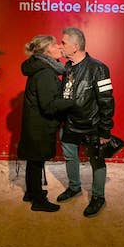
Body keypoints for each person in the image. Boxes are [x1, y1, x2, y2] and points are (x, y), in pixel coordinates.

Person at [57, 27, 115, 217]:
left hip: (93, 125)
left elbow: (106, 100)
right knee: (69, 157)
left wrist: (105, 131)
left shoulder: (99, 68)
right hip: (70, 124)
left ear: (75, 46)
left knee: (97, 162)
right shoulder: (67, 68)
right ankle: (74, 187)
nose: (60, 46)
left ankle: (98, 197)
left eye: (63, 42)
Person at [17, 35, 73, 212]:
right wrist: (73, 101)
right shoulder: (46, 73)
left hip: (34, 124)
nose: (59, 47)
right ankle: (38, 201)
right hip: (40, 126)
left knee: (34, 160)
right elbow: (49, 106)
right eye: (55, 45)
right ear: (47, 51)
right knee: (36, 160)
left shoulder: (40, 68)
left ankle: (32, 193)